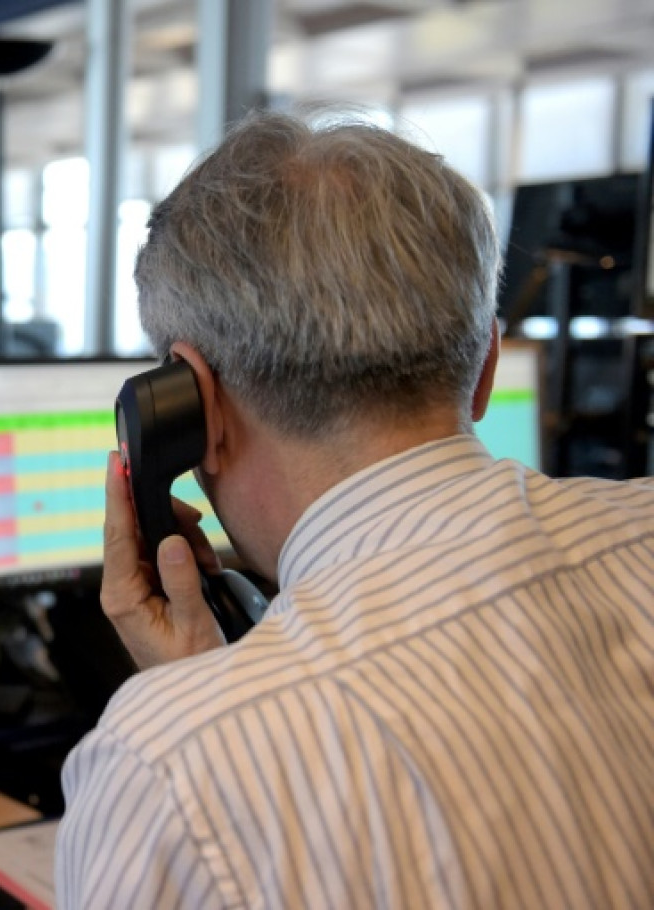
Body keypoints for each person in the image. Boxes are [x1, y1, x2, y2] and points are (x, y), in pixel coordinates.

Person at [56, 110, 654, 908]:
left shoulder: (167, 768)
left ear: (195, 407)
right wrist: (219, 690)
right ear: (484, 367)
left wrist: (209, 712)